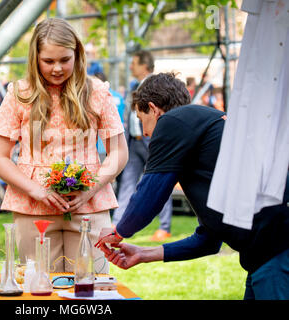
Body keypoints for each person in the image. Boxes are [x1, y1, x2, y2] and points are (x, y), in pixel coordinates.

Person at [95, 73, 289, 300]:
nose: (145, 133)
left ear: (154, 109)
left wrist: (118, 232)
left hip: (276, 250)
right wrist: (143, 253)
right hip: (264, 255)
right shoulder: (201, 128)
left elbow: (151, 194)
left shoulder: (172, 121)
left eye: (141, 120)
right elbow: (208, 240)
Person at [0, 18, 128, 273]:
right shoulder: (19, 94)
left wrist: (91, 188)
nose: (57, 68)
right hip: (32, 207)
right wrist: (36, 191)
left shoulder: (97, 91)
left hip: (90, 205)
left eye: (65, 60)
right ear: (35, 57)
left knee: (91, 284)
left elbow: (118, 151)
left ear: (77, 55)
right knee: (38, 285)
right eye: (48, 61)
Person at [112, 50, 173, 242]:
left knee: (160, 180)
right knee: (127, 181)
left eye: (135, 63)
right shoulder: (136, 85)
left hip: (151, 140)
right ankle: (117, 223)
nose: (131, 66)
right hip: (133, 140)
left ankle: (164, 227)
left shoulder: (156, 85)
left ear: (145, 66)